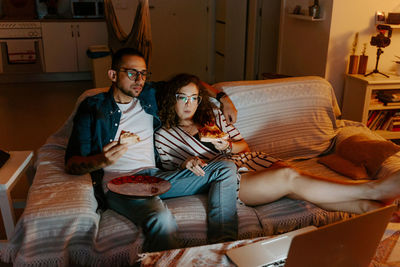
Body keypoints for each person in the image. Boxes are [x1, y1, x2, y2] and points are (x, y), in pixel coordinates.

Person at [64, 48, 239, 252]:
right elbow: (71, 164)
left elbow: (191, 84)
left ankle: (223, 251)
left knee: (225, 168)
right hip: (121, 183)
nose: (139, 79)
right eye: (131, 73)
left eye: (143, 73)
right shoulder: (93, 107)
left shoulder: (150, 94)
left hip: (156, 177)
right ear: (113, 75)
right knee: (161, 220)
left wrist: (223, 98)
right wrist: (101, 160)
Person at [155, 73, 400, 214]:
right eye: (182, 98)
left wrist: (227, 146)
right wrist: (191, 162)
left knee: (297, 186)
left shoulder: (213, 117)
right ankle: (372, 189)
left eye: (194, 98)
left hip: (251, 162)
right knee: (288, 178)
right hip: (227, 180)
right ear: (170, 99)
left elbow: (245, 147)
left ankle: (368, 208)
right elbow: (176, 175)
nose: (189, 104)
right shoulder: (164, 135)